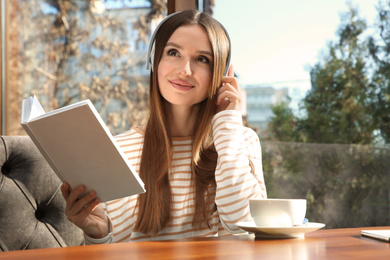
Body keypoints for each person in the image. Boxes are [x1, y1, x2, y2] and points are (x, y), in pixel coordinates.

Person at [61, 9, 267, 243]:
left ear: (220, 74)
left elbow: (247, 227)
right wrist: (97, 234)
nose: (185, 70)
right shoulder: (118, 150)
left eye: (202, 59)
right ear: (154, 61)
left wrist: (228, 126)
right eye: (173, 53)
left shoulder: (241, 140)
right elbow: (112, 253)